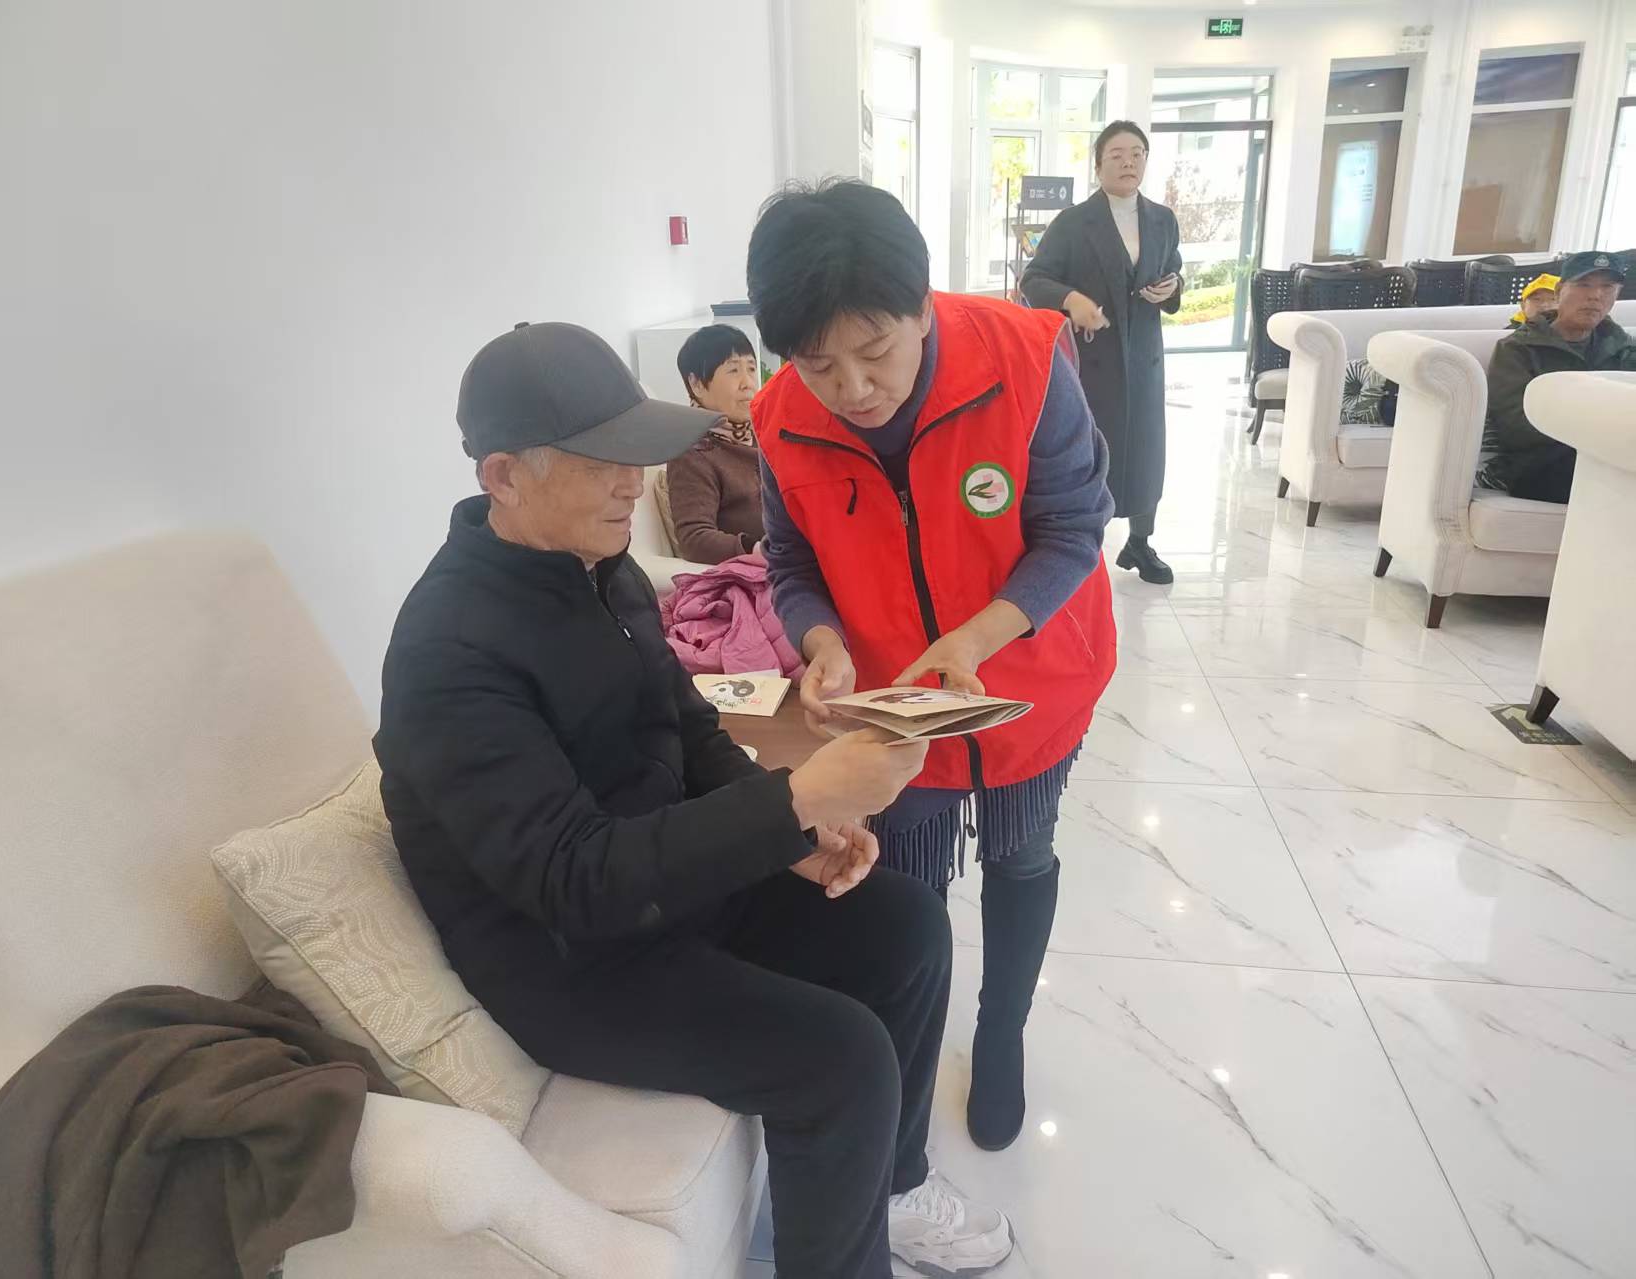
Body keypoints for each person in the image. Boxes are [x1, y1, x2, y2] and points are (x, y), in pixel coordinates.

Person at [373, 320, 1015, 1279]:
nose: (633, 485)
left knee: (909, 925)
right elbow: (574, 881)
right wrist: (796, 798)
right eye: (603, 464)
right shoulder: (448, 651)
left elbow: (690, 728)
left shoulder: (603, 568)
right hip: (572, 961)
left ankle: (892, 1185)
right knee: (838, 1055)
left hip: (668, 883)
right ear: (503, 476)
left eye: (636, 456)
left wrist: (794, 827)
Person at [749, 179, 1117, 1154]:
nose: (851, 389)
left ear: (920, 306)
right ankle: (910, 1067)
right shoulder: (779, 418)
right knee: (906, 894)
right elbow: (789, 563)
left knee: (1020, 854)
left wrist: (976, 639)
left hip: (1025, 679)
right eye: (818, 364)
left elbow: (1074, 526)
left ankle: (1001, 1034)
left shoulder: (1024, 359)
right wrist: (821, 641)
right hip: (892, 706)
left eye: (874, 351)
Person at [1019, 120, 1183, 584]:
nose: (1128, 162)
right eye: (1117, 155)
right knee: (1091, 450)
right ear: (1098, 165)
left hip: (1145, 357)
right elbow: (1034, 279)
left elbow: (1174, 270)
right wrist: (1070, 299)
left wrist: (1172, 288)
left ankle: (1140, 542)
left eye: (1137, 154)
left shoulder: (1162, 220)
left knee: (1146, 448)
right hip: (1092, 359)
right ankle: (1078, 544)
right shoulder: (1074, 222)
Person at [1481, 252, 1634, 503]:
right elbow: (1516, 426)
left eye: (1607, 287)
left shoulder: (1623, 347)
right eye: (1584, 284)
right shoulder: (1518, 349)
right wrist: (1599, 432)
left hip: (1612, 460)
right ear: (1560, 291)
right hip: (1542, 465)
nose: (1595, 295)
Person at [666, 324, 764, 562]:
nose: (748, 383)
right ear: (697, 384)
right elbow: (695, 539)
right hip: (760, 571)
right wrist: (758, 550)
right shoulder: (692, 454)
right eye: (733, 370)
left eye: (751, 369)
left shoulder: (764, 433)